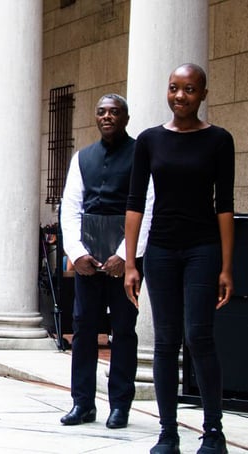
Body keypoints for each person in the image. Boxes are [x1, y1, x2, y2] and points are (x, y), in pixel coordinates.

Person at [124, 63, 234, 454]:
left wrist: (226, 265)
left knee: (199, 336)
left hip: (203, 248)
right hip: (162, 250)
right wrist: (132, 262)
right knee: (166, 341)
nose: (180, 96)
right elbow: (135, 203)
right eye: (173, 88)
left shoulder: (219, 140)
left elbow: (225, 206)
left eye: (189, 89)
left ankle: (214, 431)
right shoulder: (150, 141)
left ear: (203, 94)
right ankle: (167, 432)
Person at [60, 94, 151, 429]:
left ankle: (120, 406)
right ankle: (82, 403)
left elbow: (148, 206)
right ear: (95, 118)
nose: (107, 117)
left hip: (124, 258)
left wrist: (127, 257)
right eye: (101, 112)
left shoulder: (142, 154)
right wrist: (77, 252)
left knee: (124, 330)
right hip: (88, 255)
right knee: (83, 329)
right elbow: (70, 207)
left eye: (114, 112)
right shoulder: (83, 157)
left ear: (126, 118)